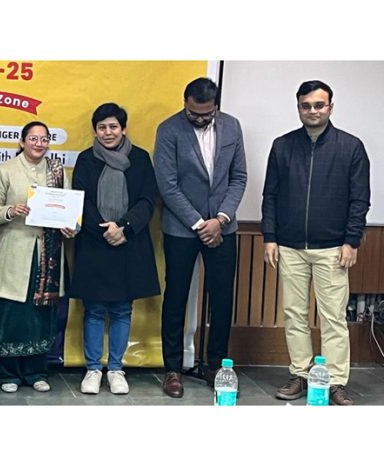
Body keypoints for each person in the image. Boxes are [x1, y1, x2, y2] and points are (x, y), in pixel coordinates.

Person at [262, 80, 370, 406]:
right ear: (298, 108)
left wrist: (351, 242)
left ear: (330, 107)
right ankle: (301, 374)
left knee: (333, 317)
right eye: (306, 105)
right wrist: (270, 237)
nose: (313, 111)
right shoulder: (282, 146)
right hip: (289, 246)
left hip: (333, 249)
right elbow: (271, 196)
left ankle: (335, 381)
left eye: (319, 105)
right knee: (294, 314)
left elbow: (359, 200)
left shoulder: (351, 147)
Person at [153, 77, 247, 398]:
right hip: (181, 227)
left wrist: (220, 219)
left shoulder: (232, 127)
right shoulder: (169, 130)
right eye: (194, 113)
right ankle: (173, 370)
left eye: (206, 114)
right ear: (185, 104)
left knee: (221, 299)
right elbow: (167, 185)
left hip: (223, 226)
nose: (200, 119)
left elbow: (239, 177)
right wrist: (198, 223)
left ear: (216, 107)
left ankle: (216, 366)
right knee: (176, 296)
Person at [70, 103, 160, 395]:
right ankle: (94, 369)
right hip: (95, 242)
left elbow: (148, 199)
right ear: (95, 130)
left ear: (123, 128)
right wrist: (105, 229)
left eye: (113, 127)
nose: (107, 133)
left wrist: (124, 227)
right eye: (102, 127)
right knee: (94, 309)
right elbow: (81, 200)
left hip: (129, 242)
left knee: (123, 309)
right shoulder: (86, 159)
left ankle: (117, 368)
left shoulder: (140, 158)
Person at [0, 121, 75, 393]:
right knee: (12, 312)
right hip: (14, 251)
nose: (39, 144)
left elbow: (69, 208)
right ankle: (8, 373)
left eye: (44, 139)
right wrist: (11, 211)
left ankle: (37, 371)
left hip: (47, 253)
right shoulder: (6, 170)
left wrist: (71, 225)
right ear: (22, 141)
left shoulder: (58, 172)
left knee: (40, 315)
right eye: (33, 138)